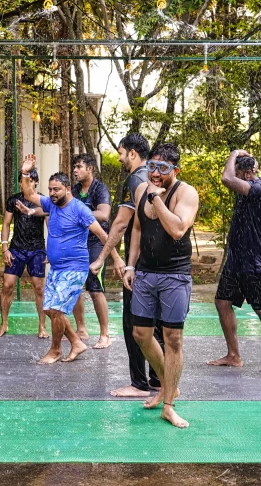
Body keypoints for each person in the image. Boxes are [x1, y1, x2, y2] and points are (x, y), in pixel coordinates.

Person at [122, 143, 199, 428]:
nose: (155, 173)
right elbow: (137, 229)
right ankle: (168, 386)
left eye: (162, 168)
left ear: (175, 170)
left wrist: (156, 198)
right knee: (141, 333)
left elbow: (178, 229)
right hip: (145, 272)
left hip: (175, 275)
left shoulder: (186, 193)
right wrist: (130, 265)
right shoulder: (141, 190)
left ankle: (168, 405)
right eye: (152, 166)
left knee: (173, 339)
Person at [89, 133, 166, 398]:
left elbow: (121, 223)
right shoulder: (155, 177)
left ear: (132, 153)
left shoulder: (134, 180)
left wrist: (102, 258)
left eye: (121, 153)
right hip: (158, 262)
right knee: (155, 323)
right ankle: (158, 379)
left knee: (133, 323)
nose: (120, 158)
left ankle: (139, 384)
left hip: (139, 264)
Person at [19, 154, 113, 364]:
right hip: (57, 268)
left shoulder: (80, 209)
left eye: (57, 189)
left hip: (74, 268)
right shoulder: (51, 205)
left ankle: (55, 350)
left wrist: (112, 259)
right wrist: (25, 172)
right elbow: (29, 193)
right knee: (49, 309)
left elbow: (103, 236)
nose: (52, 193)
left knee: (56, 309)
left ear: (68, 189)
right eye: (50, 189)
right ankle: (76, 342)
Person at [208, 151, 261, 378]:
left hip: (254, 262)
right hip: (236, 260)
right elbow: (232, 178)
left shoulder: (260, 189)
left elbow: (227, 179)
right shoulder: (248, 187)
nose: (236, 177)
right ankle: (233, 355)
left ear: (248, 173)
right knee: (222, 302)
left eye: (239, 173)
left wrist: (233, 154)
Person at [0, 169, 49, 339]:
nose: (26, 184)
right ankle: (4, 323)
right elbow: (6, 224)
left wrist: (51, 251)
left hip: (37, 249)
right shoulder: (14, 200)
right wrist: (5, 248)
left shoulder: (43, 201)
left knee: (39, 288)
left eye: (31, 181)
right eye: (23, 181)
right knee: (7, 285)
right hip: (16, 249)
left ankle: (42, 326)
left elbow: (51, 227)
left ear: (36, 183)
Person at [71, 154, 115, 349]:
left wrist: (78, 213)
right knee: (75, 286)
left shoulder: (100, 188)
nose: (75, 170)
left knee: (95, 288)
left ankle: (105, 334)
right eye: (74, 167)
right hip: (77, 242)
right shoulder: (74, 190)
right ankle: (81, 329)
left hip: (97, 241)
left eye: (79, 167)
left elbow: (104, 214)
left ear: (90, 169)